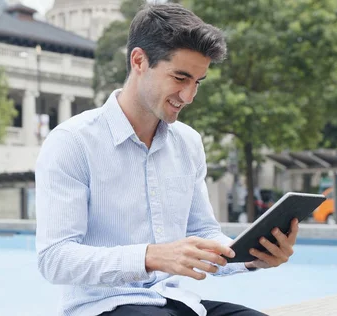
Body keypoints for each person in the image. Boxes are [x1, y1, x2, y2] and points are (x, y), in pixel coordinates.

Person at [35, 3, 299, 316]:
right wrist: (151, 256)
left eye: (197, 82)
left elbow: (204, 234)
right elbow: (54, 259)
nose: (188, 96)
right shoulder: (72, 143)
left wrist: (252, 256)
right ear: (139, 61)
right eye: (180, 78)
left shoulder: (188, 143)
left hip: (179, 302)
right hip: (104, 306)